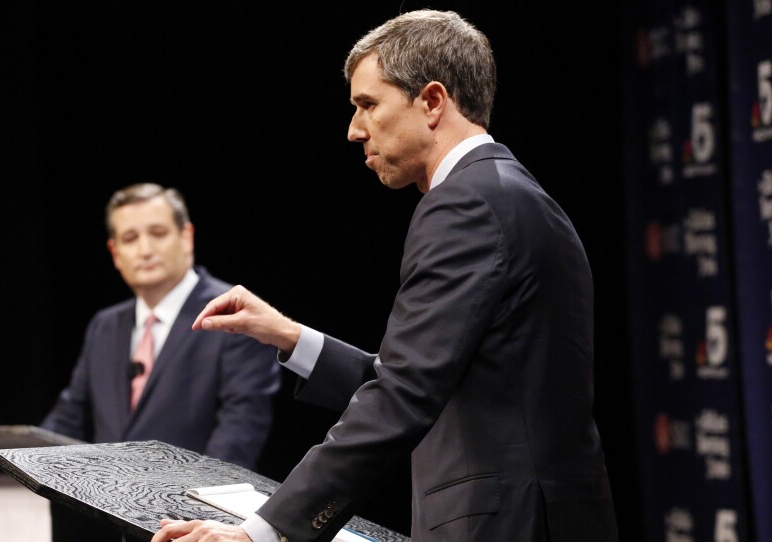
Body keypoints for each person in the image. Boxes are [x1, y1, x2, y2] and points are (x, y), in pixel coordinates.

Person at [152, 9, 618, 542]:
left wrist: (261, 533)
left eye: (368, 105)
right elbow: (440, 382)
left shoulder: (466, 202)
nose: (354, 130)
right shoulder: (504, 192)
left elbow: (404, 394)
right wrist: (289, 335)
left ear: (433, 101)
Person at [41, 182, 281, 470]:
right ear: (115, 253)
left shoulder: (234, 316)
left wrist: (192, 504)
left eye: (158, 234)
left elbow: (240, 431)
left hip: (189, 509)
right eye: (130, 238)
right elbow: (67, 420)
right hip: (104, 509)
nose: (145, 250)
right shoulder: (104, 326)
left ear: (186, 237)